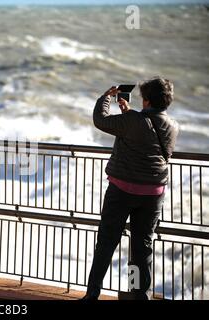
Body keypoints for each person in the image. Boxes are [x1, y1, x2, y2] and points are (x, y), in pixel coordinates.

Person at [82, 78, 179, 300]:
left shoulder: (133, 121)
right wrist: (129, 113)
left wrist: (106, 97)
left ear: (145, 100)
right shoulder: (174, 126)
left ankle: (92, 293)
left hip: (122, 191)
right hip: (153, 194)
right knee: (141, 247)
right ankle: (138, 294)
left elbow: (101, 120)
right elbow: (144, 128)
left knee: (107, 242)